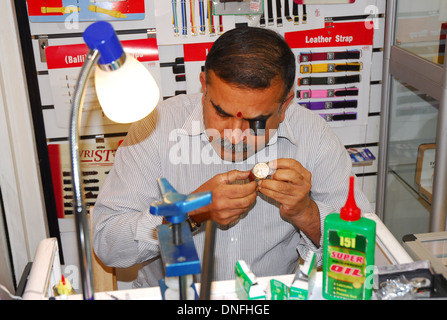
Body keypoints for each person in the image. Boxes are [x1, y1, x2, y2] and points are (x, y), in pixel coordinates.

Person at [92, 26, 373, 288]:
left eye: (257, 120)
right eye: (222, 113)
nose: (235, 135)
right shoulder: (155, 129)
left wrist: (306, 213)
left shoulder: (313, 136)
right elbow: (108, 244)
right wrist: (189, 212)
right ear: (204, 86)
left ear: (285, 104)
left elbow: (362, 246)